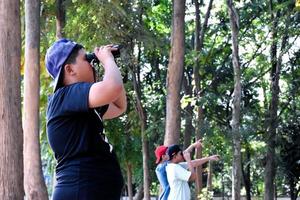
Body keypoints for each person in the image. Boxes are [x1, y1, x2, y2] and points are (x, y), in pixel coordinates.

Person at [45, 38, 127, 200]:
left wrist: (108, 66)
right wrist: (107, 60)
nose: (91, 63)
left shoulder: (80, 102)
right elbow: (113, 87)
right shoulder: (66, 95)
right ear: (70, 70)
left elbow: (119, 106)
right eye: (86, 59)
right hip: (79, 191)